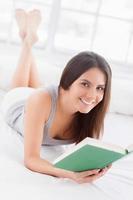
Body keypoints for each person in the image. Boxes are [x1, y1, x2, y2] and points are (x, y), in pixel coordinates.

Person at [1, 9, 112, 184]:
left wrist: (98, 165)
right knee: (22, 87)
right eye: (85, 84)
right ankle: (28, 42)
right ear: (68, 80)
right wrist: (68, 174)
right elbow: (31, 159)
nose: (93, 95)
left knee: (38, 89)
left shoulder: (91, 110)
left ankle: (28, 37)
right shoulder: (39, 100)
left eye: (100, 88)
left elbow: (84, 155)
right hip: (18, 104)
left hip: (47, 100)